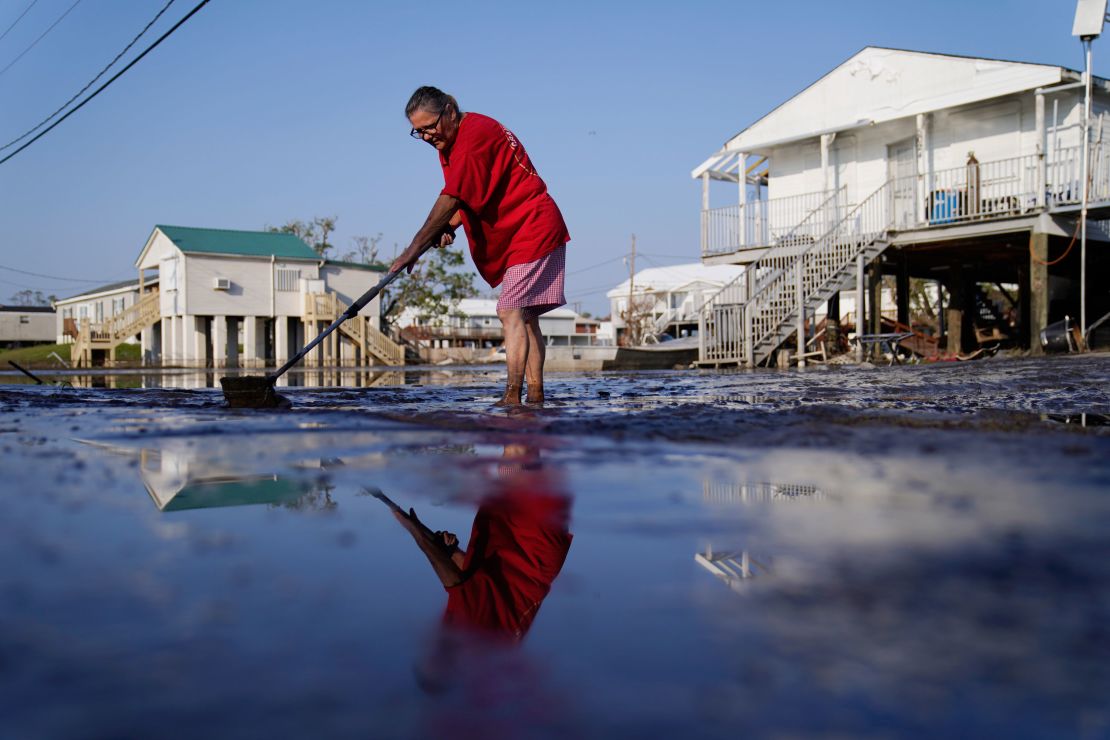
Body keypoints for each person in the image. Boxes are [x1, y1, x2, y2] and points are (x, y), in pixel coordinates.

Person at [390, 86, 570, 406]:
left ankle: (513, 397)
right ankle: (536, 396)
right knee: (525, 317)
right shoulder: (455, 140)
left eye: (430, 127)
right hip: (524, 229)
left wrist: (412, 249)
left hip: (533, 225)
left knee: (510, 310)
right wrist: (447, 228)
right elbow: (471, 197)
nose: (427, 136)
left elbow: (454, 196)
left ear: (449, 111)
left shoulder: (474, 135)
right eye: (418, 133)